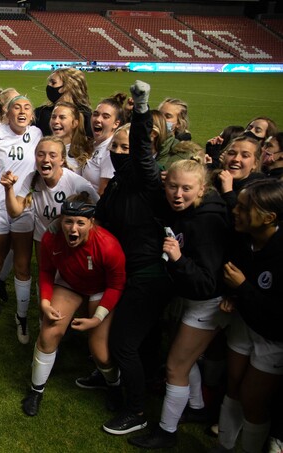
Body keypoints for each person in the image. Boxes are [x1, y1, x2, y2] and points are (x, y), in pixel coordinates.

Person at [128, 159, 230, 448]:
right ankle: (196, 407)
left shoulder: (207, 221)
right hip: (191, 299)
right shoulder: (185, 211)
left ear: (201, 189)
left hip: (207, 303)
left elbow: (208, 283)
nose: (178, 194)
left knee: (175, 367)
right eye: (173, 186)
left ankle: (167, 432)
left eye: (186, 188)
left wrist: (178, 259)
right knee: (180, 354)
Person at [96, 81, 175, 436]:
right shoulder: (118, 181)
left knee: (123, 344)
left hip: (147, 274)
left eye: (125, 147)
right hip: (125, 272)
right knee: (133, 341)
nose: (118, 151)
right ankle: (116, 382)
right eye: (115, 145)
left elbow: (141, 149)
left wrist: (140, 109)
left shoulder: (145, 177)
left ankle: (136, 411)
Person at [21, 197, 125, 417]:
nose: (73, 228)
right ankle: (36, 391)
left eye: (80, 222)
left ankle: (114, 386)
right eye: (68, 222)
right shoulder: (52, 237)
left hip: (100, 290)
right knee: (49, 332)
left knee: (100, 352)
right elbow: (47, 271)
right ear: (61, 220)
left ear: (91, 222)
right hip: (70, 284)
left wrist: (97, 319)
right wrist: (45, 302)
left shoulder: (108, 245)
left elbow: (116, 285)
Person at [212, 179, 283, 453]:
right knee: (233, 386)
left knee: (253, 399)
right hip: (244, 322)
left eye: (244, 208)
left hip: (273, 337)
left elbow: (278, 314)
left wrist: (243, 288)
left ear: (269, 217)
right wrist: (234, 296)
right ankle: (224, 445)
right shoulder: (244, 240)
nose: (235, 212)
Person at [0, 94, 43, 345]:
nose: (22, 111)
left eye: (27, 107)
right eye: (16, 107)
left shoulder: (38, 133)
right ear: (7, 113)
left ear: (32, 114)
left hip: (24, 209)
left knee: (22, 267)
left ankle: (21, 319)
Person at [82, 93, 126, 195]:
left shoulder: (110, 151)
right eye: (96, 114)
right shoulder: (94, 144)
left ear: (116, 124)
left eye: (105, 117)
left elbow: (103, 193)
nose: (98, 119)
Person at [212, 135, 266, 211]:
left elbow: (239, 218)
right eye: (231, 153)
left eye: (245, 156)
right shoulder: (213, 178)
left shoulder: (260, 192)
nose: (236, 159)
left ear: (255, 164)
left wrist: (228, 191)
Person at [34, 68, 92, 138]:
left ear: (67, 86)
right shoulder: (41, 112)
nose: (49, 86)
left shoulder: (86, 118)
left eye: (53, 83)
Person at [49, 101, 92, 172]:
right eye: (53, 117)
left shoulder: (85, 151)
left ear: (74, 123)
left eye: (62, 117)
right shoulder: (45, 147)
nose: (56, 121)